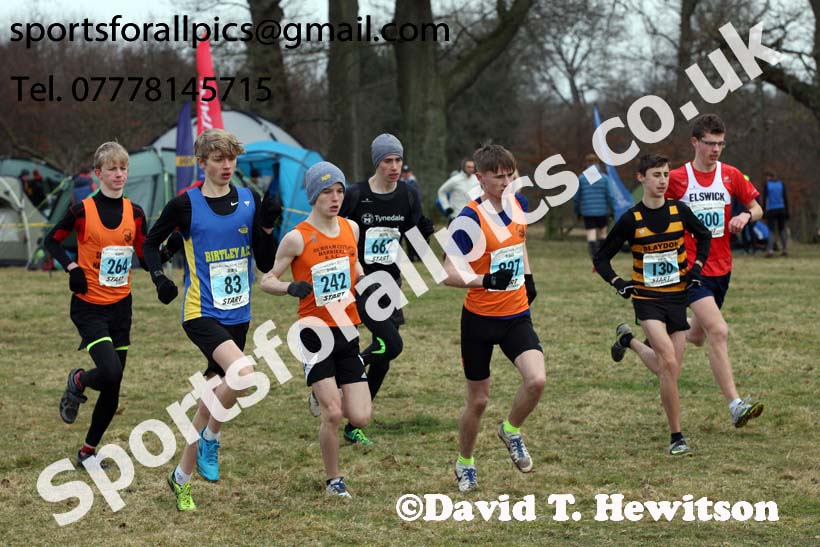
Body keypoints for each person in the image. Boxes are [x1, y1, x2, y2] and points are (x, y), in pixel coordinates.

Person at [143, 128, 280, 511]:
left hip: (239, 314)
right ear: (202, 163)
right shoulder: (185, 205)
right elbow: (149, 244)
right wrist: (159, 278)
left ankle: (181, 478)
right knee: (243, 373)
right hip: (200, 312)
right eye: (218, 159)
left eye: (231, 159)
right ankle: (213, 438)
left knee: (207, 402)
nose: (226, 166)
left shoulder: (249, 200)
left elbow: (265, 262)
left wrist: (267, 227)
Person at [46, 142, 177, 468]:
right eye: (112, 169)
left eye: (123, 169)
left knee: (114, 382)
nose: (119, 174)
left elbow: (146, 256)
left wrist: (166, 256)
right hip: (89, 306)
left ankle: (88, 451)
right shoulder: (82, 210)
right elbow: (51, 240)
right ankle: (78, 381)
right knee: (110, 371)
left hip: (121, 307)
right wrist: (72, 267)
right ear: (98, 173)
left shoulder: (135, 213)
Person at [260, 161, 372, 498]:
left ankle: (319, 391)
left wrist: (368, 285)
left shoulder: (351, 228)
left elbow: (354, 265)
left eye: (339, 191)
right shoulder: (297, 238)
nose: (335, 198)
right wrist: (288, 288)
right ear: (313, 196)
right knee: (334, 413)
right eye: (327, 192)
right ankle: (334, 480)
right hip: (313, 332)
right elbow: (266, 280)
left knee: (361, 417)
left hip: (348, 328)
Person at [593, 154, 711, 456]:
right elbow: (601, 257)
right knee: (669, 362)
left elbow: (705, 235)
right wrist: (619, 283)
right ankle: (677, 436)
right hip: (647, 300)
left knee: (668, 369)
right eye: (656, 175)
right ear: (641, 178)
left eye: (666, 174)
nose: (662, 180)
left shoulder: (679, 210)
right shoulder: (631, 219)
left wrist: (696, 268)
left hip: (677, 297)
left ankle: (628, 341)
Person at [442, 143, 543, 492]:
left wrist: (527, 277)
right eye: (497, 176)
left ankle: (511, 430)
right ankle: (465, 462)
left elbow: (519, 242)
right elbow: (447, 272)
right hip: (479, 319)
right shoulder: (468, 219)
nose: (505, 181)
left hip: (516, 313)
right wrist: (485, 280)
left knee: (536, 381)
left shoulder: (519, 204)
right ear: (480, 177)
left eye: (509, 174)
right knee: (479, 401)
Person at [333, 134, 434, 445]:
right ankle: (339, 377)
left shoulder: (408, 194)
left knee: (385, 355)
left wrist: (425, 234)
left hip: (389, 282)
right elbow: (335, 233)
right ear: (376, 162)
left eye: (398, 161)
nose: (394, 167)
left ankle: (354, 423)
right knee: (390, 344)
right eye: (387, 161)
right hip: (357, 281)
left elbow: (415, 235)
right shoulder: (356, 195)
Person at [666, 113, 764, 428]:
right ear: (695, 142)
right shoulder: (678, 179)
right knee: (719, 331)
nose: (716, 149)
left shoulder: (731, 175)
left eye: (721, 143)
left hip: (723, 268)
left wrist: (746, 218)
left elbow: (757, 207)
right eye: (710, 143)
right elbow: (655, 212)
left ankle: (635, 340)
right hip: (691, 268)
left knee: (697, 335)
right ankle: (736, 405)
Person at [574, 153, 617, 260]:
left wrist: (577, 211)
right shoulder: (605, 178)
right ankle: (603, 256)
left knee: (591, 236)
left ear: (586, 164)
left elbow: (576, 198)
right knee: (603, 234)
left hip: (587, 212)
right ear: (597, 163)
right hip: (602, 211)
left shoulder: (581, 179)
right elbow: (611, 196)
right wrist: (612, 210)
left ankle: (594, 257)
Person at [761, 170, 789, 257]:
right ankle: (784, 249)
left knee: (771, 231)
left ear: (769, 177)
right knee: (782, 230)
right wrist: (787, 211)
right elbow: (785, 198)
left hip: (771, 210)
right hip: (781, 209)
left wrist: (763, 211)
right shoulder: (781, 184)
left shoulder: (767, 185)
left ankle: (770, 250)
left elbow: (765, 199)